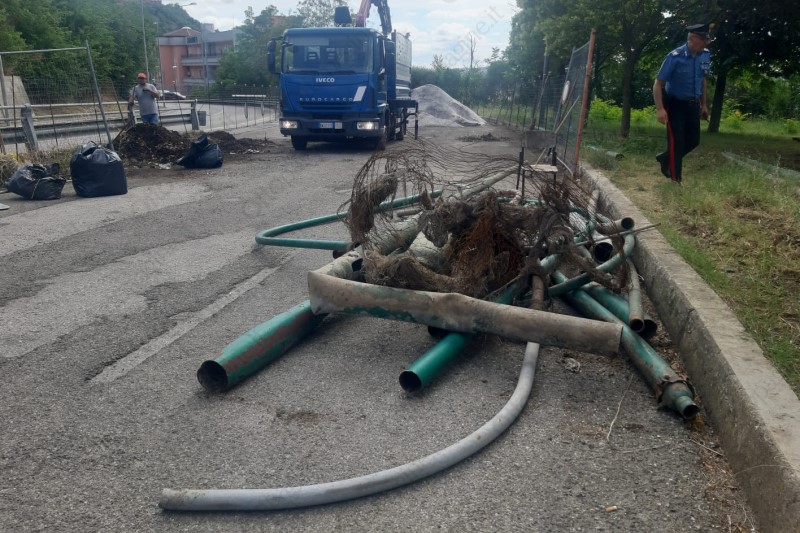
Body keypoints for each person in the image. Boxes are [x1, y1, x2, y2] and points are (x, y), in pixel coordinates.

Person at [653, 23, 712, 184]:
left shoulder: (705, 55)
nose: (707, 43)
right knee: (677, 143)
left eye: (707, 39)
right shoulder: (674, 57)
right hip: (675, 105)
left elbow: (703, 79)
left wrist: (704, 104)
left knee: (694, 141)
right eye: (704, 39)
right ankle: (675, 180)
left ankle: (666, 157)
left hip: (693, 104)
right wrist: (660, 109)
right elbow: (658, 83)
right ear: (692, 38)